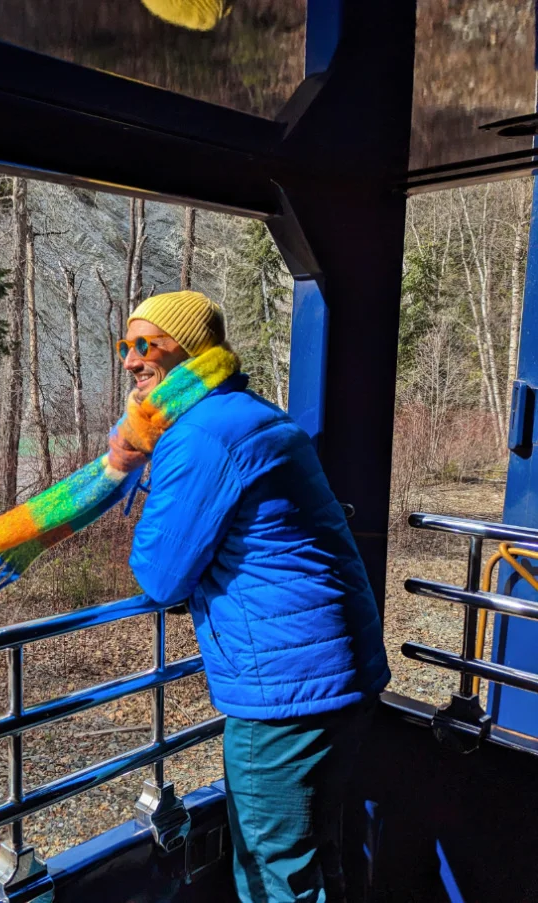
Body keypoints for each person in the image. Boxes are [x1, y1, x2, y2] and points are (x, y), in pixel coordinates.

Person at [117, 290, 390, 903]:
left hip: (287, 690)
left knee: (274, 877)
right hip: (335, 674)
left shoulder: (203, 435)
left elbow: (159, 577)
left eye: (146, 345)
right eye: (126, 347)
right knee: (317, 859)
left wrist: (134, 456)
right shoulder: (248, 412)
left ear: (190, 350)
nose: (132, 361)